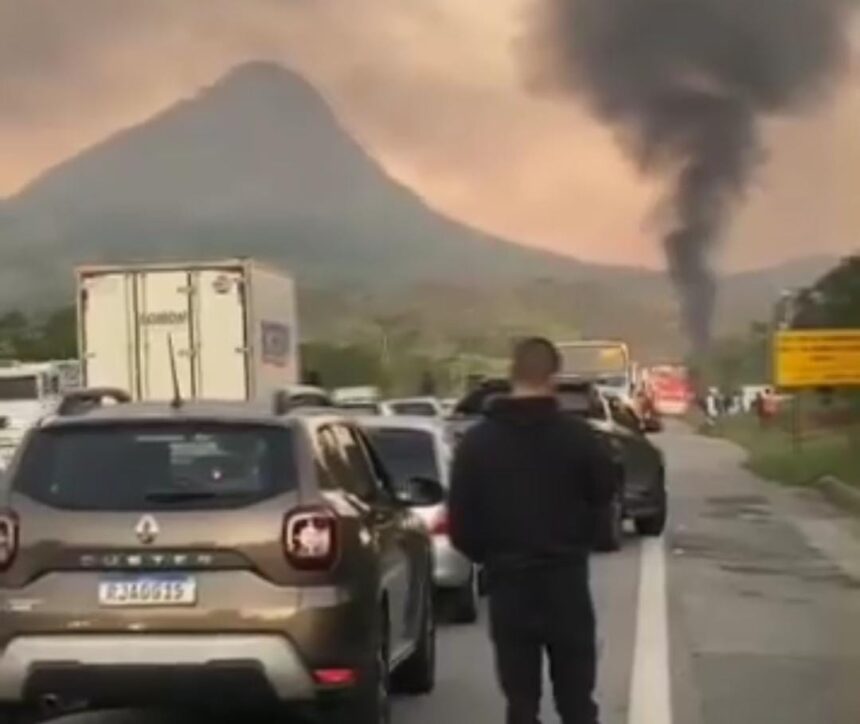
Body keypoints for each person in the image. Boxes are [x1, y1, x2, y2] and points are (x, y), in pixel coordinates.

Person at [448, 337, 615, 724]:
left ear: (512, 375)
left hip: (509, 585)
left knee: (520, 704)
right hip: (566, 582)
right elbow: (604, 495)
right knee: (577, 702)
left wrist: (491, 557)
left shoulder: (477, 444)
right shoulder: (579, 438)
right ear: (553, 378)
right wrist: (578, 541)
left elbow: (461, 524)